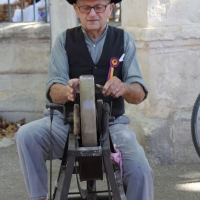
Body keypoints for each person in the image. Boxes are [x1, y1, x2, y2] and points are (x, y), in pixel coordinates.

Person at [14, 0, 154, 200]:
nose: (92, 13)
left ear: (110, 9)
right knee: (26, 135)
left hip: (112, 125)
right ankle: (39, 197)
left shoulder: (124, 40)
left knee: (141, 170)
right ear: (76, 10)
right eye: (85, 7)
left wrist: (124, 87)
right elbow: (54, 90)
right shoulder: (64, 40)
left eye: (99, 7)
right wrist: (68, 91)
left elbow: (138, 93)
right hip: (68, 123)